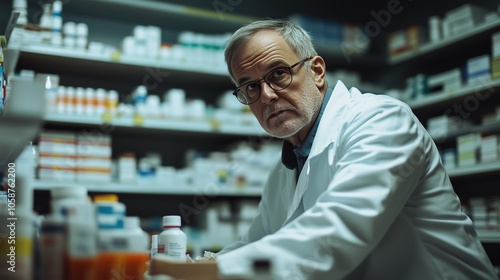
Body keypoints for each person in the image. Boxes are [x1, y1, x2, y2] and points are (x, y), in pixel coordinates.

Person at [214, 19, 498, 280]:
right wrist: (193, 268)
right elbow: (258, 242)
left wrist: (219, 272)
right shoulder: (284, 170)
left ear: (316, 71)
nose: (266, 95)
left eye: (278, 73)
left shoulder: (382, 120)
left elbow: (340, 230)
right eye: (250, 87)